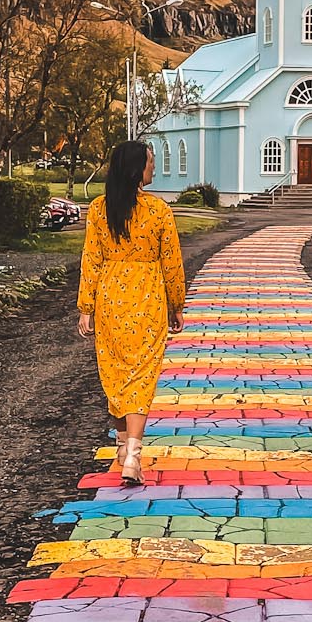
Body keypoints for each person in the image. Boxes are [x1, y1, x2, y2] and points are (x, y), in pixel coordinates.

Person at [78, 138, 185, 485]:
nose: (153, 168)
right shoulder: (158, 211)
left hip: (110, 297)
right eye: (150, 162)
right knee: (141, 374)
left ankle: (123, 450)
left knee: (115, 373)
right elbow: (172, 262)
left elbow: (91, 260)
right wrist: (176, 304)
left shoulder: (99, 209)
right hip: (147, 296)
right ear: (137, 169)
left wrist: (87, 307)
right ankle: (134, 454)